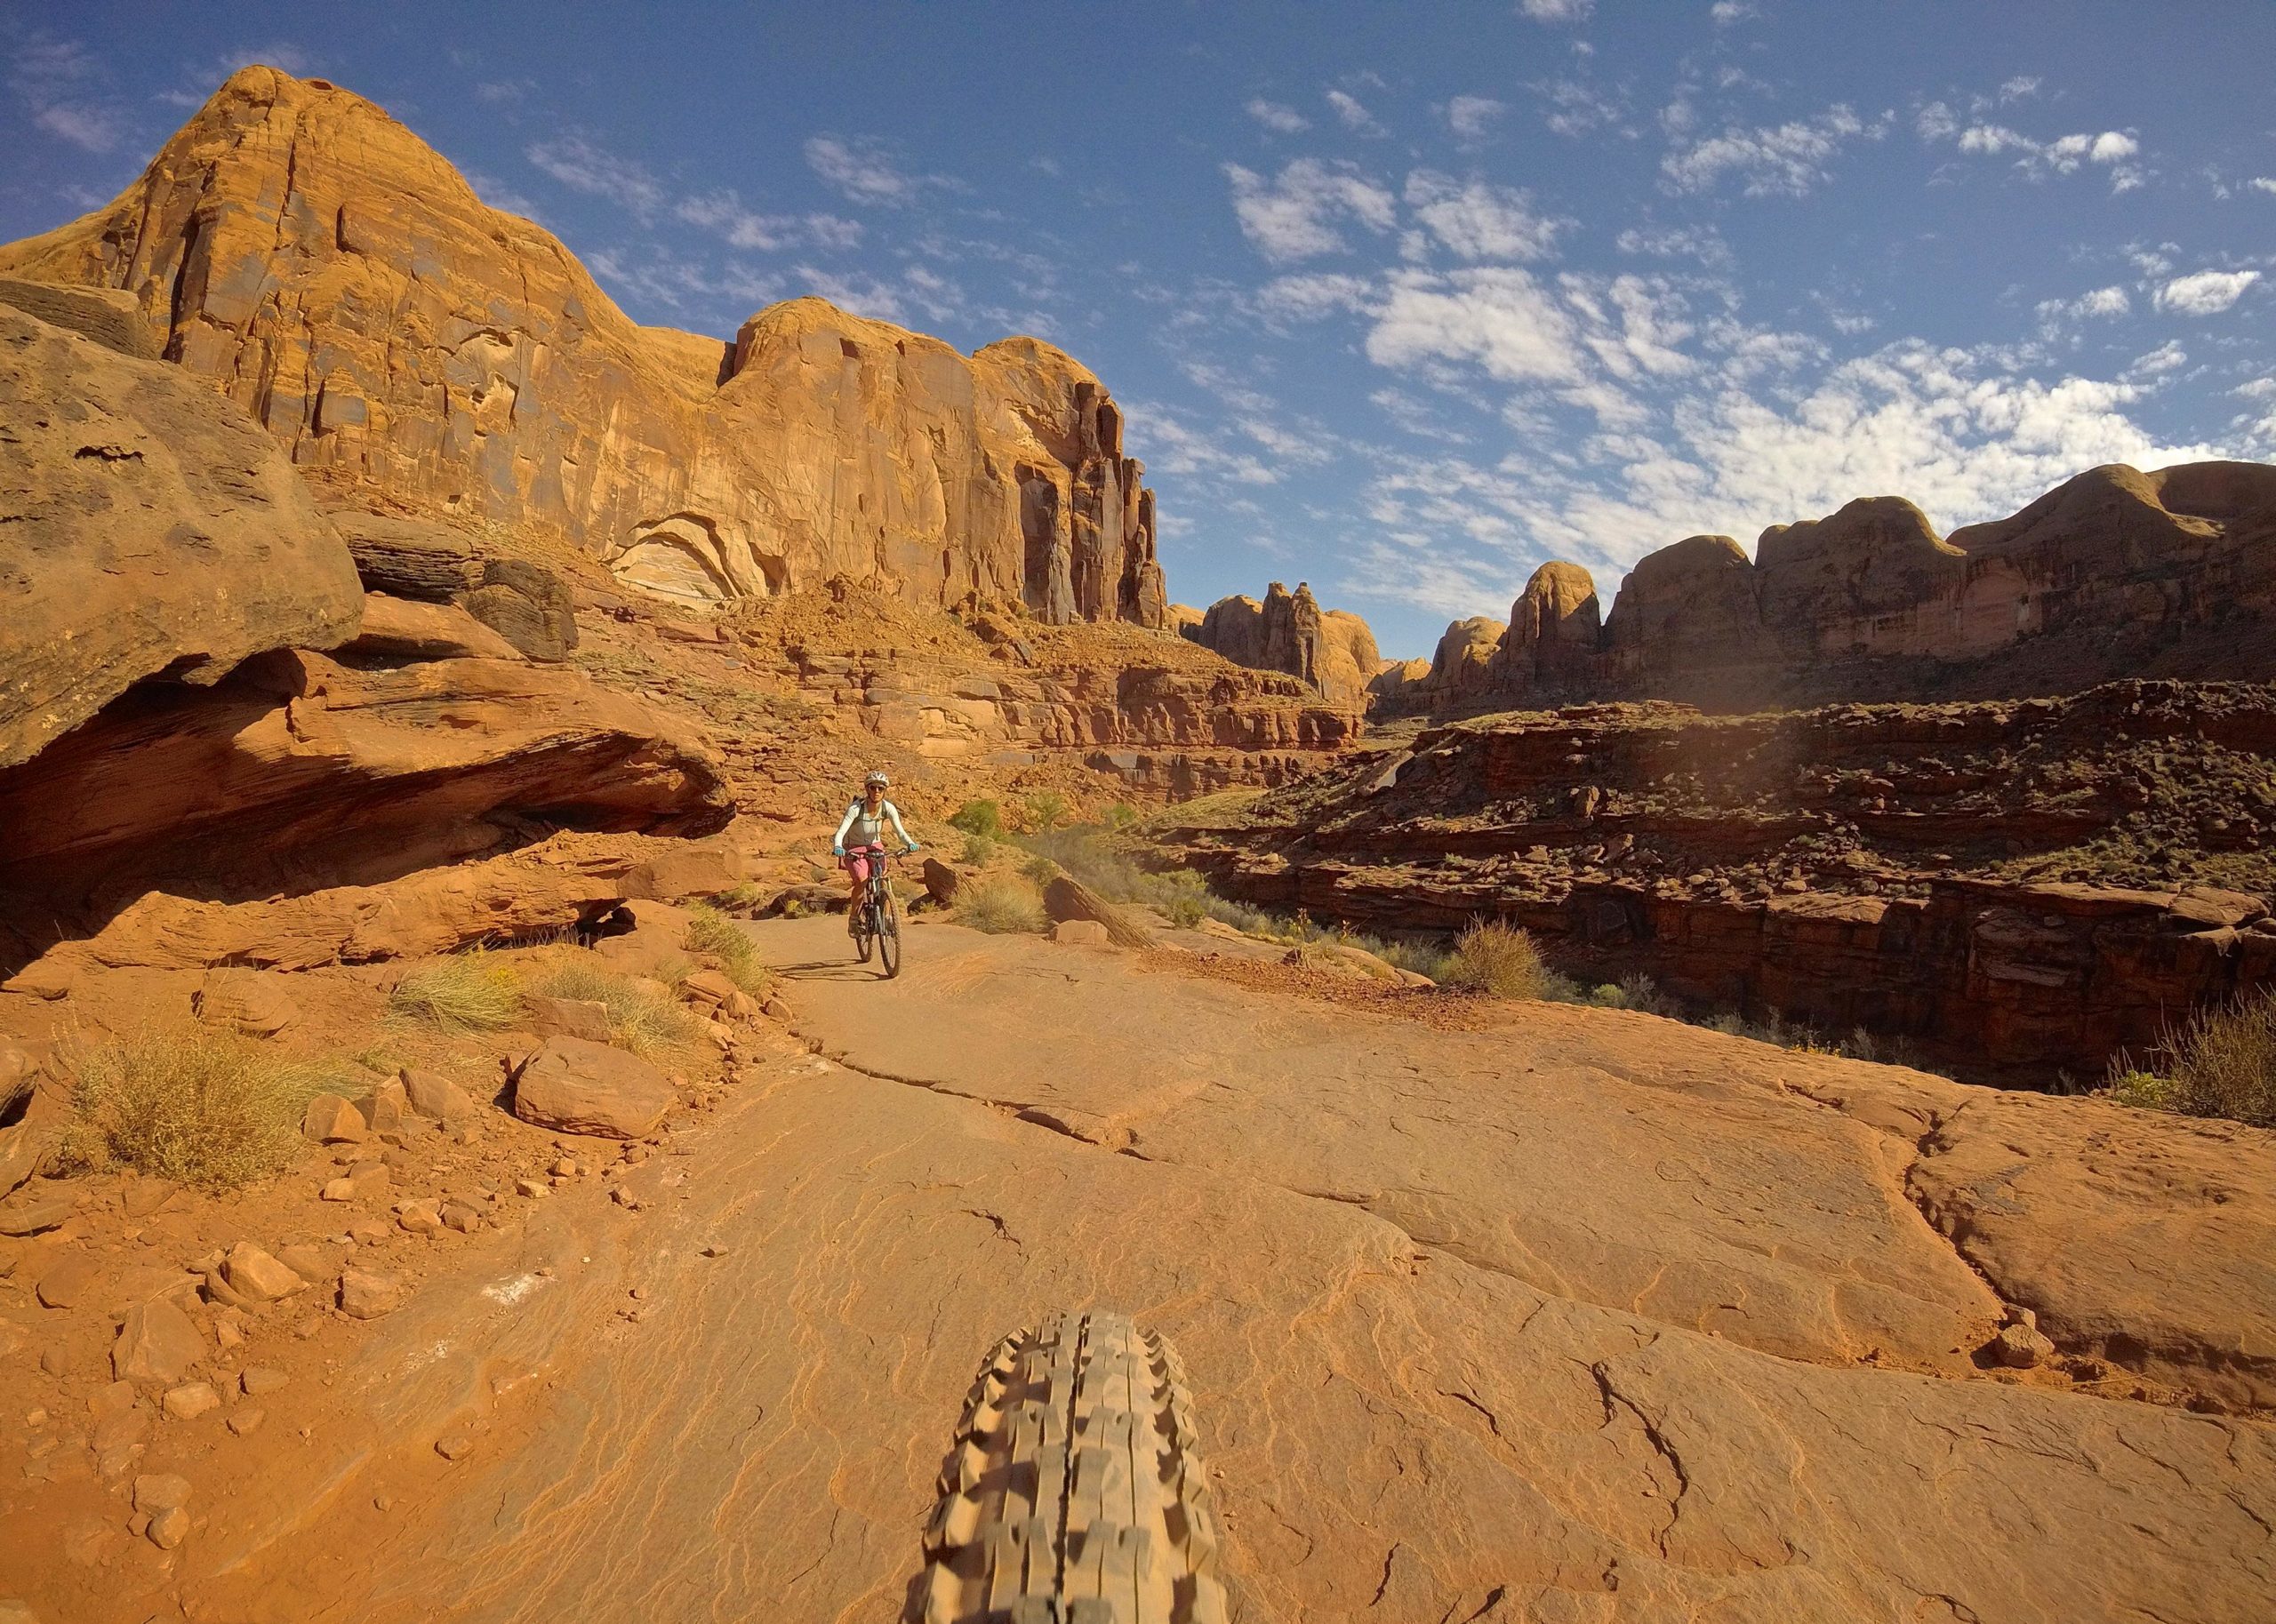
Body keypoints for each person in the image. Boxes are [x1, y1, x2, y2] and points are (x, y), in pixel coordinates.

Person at [833, 770, 919, 929]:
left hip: (874, 846)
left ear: (885, 790)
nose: (877, 791)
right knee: (861, 879)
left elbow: (900, 831)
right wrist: (838, 846)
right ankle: (854, 919)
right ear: (867, 789)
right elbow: (841, 831)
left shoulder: (888, 808)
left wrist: (910, 843)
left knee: (883, 879)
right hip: (853, 847)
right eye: (873, 788)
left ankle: (886, 916)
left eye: (881, 788)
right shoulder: (855, 809)